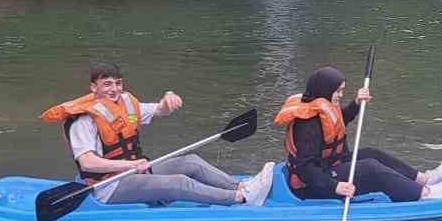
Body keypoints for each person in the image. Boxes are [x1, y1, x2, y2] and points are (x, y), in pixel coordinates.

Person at [41, 62, 274, 207]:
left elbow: (159, 109)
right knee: (178, 182)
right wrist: (127, 166)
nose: (114, 89)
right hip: (108, 186)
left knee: (190, 162)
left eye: (118, 84)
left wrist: (168, 99)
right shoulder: (84, 120)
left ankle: (240, 187)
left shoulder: (124, 104)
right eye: (107, 84)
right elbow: (87, 161)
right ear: (94, 88)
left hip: (133, 173)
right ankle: (239, 200)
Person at [274, 66, 442, 203]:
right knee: (369, 168)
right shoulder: (307, 125)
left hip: (327, 166)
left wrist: (356, 103)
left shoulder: (320, 106)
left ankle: (423, 180)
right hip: (312, 186)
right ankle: (423, 195)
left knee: (371, 153)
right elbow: (305, 170)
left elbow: (337, 124)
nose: (340, 95)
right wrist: (336, 187)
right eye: (338, 91)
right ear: (325, 90)